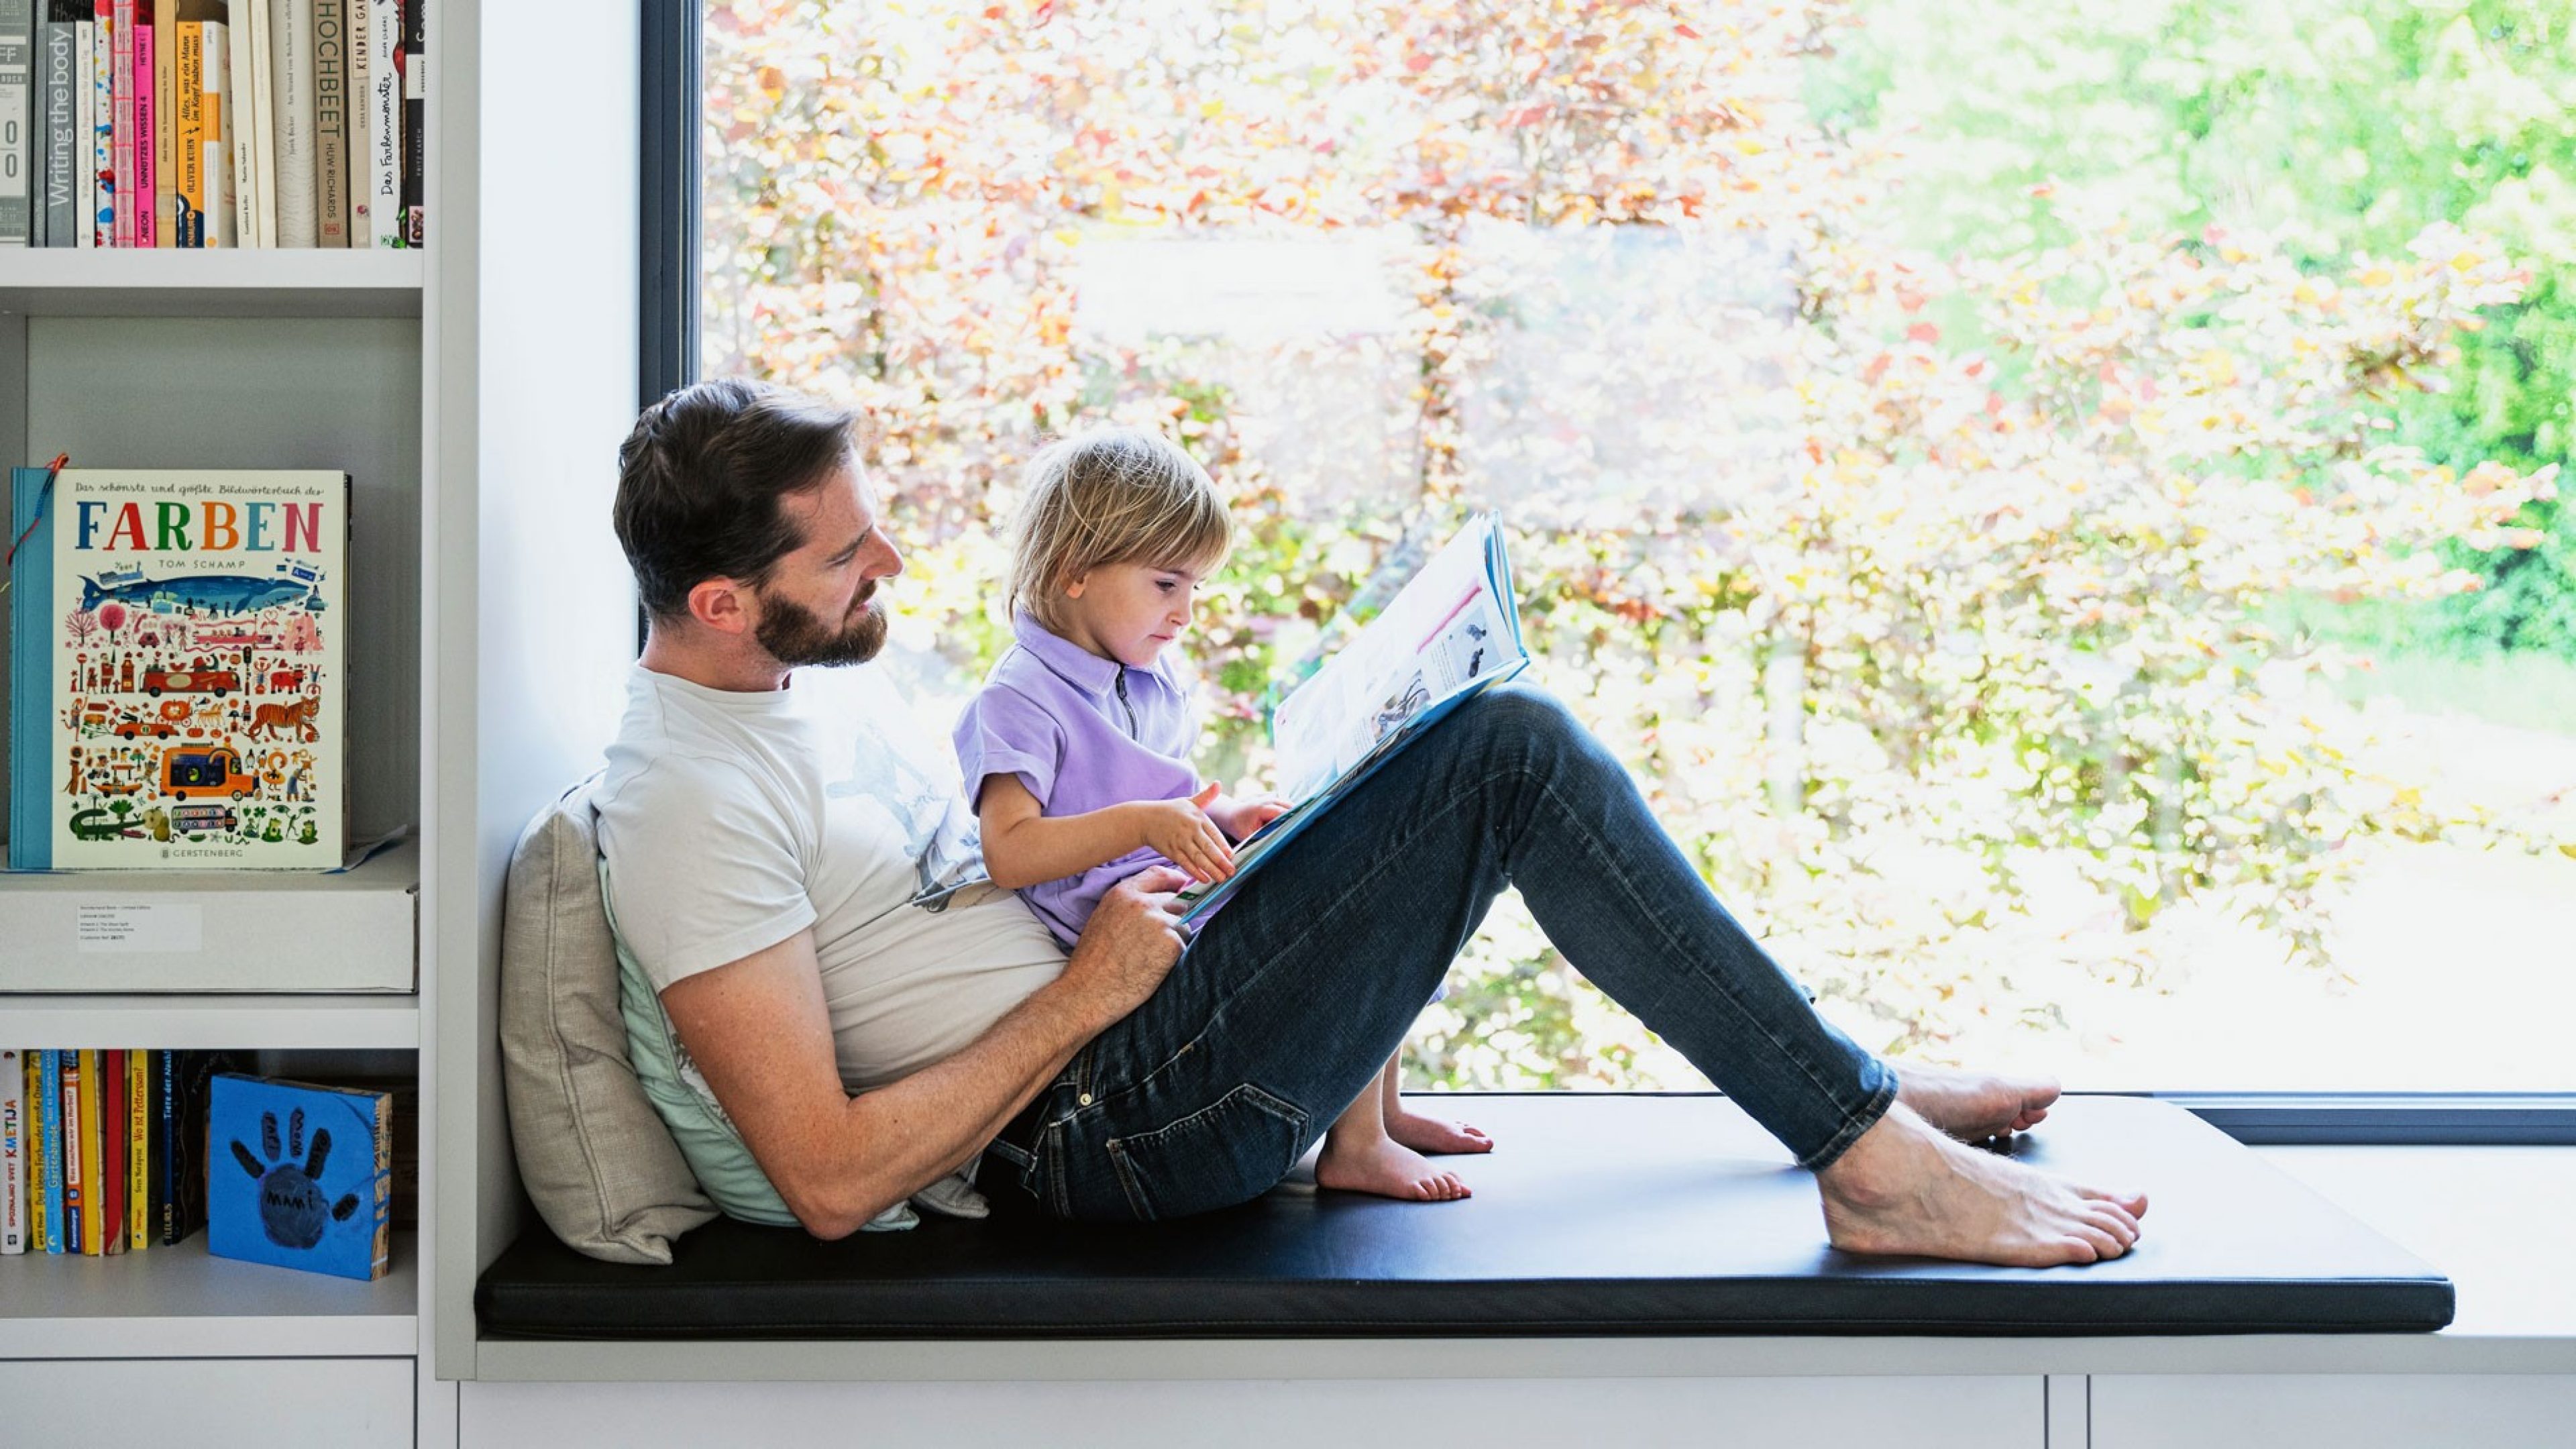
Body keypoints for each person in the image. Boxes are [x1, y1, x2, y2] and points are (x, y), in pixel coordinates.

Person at [597, 379, 2147, 1266]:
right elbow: (825, 1178)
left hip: (1139, 1023)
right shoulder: (685, 798)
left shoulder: (809, 688)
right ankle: (1866, 1149)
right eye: (851, 559)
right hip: (1100, 1119)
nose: (893, 568)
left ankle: (1828, 1076)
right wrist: (1088, 993)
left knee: (1444, 737)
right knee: (1509, 752)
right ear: (729, 602)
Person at [953, 427, 1491, 1203]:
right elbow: (1010, 849)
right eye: (1167, 585)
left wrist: (1229, 809)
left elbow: (1174, 787)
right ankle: (1357, 1145)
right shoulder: (1018, 700)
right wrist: (1146, 822)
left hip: (1184, 888)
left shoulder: (1148, 673)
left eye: (1196, 589)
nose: (1186, 614)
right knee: (1345, 920)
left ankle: (1382, 1112)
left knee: (1363, 873)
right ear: (1074, 572)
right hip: (1135, 935)